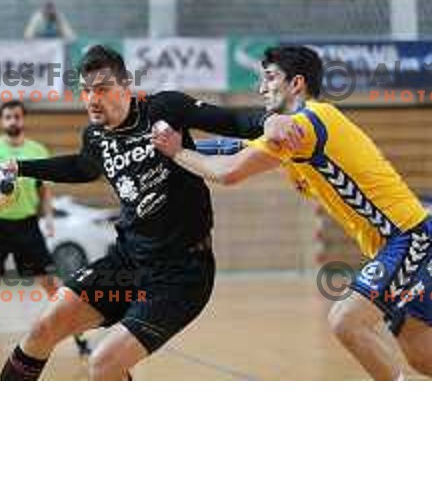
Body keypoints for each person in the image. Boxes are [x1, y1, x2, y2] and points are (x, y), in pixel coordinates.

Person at [0, 45, 300, 381]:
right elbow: (82, 167)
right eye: (86, 90)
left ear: (126, 87)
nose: (92, 99)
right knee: (42, 329)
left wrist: (271, 119)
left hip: (181, 276)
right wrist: (19, 167)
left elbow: (233, 120)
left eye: (103, 89)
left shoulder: (164, 108)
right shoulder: (95, 137)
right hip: (127, 262)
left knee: (103, 363)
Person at [152, 45, 432, 381]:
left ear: (296, 83)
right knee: (421, 356)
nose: (261, 88)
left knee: (346, 321)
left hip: (408, 237)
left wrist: (177, 151)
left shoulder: (308, 125)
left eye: (270, 78)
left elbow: (227, 172)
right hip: (390, 246)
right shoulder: (291, 133)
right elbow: (231, 148)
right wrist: (157, 151)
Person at [0, 100, 91, 357]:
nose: (13, 121)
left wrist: (49, 218)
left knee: (51, 285)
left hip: (27, 226)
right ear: (2, 121)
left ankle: (80, 338)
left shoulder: (37, 149)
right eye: (8, 117)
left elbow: (44, 189)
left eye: (17, 116)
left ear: (23, 120)